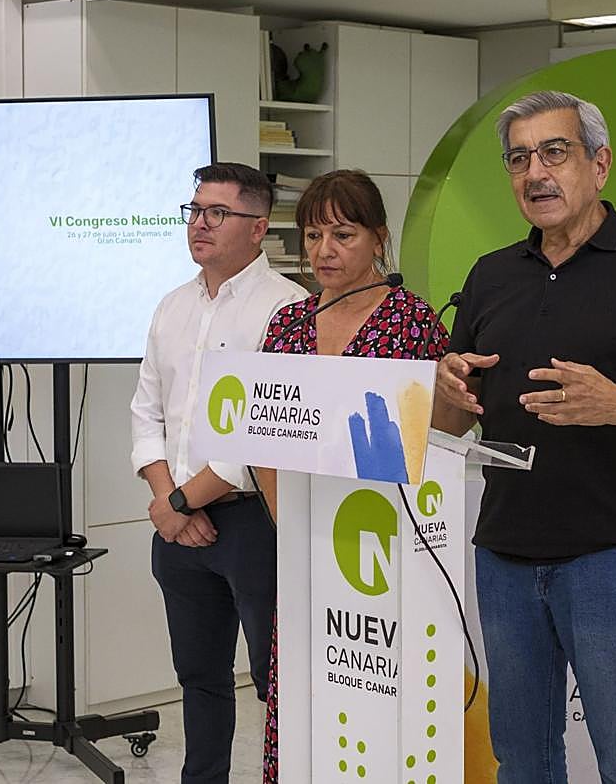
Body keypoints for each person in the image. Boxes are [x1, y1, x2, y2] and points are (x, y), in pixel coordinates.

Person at [432, 90, 616, 783]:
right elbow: (452, 424)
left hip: (611, 560)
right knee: (522, 760)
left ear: (600, 165)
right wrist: (446, 392)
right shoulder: (490, 275)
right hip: (504, 554)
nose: (535, 172)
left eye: (554, 152)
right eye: (518, 159)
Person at [260, 168, 449, 783]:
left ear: (378, 239)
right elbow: (262, 437)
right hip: (303, 545)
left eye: (343, 235)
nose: (325, 251)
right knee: (305, 700)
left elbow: (442, 437)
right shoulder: (287, 324)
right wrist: (291, 530)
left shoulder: (413, 321)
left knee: (381, 707)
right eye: (314, 236)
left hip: (385, 550)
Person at [130, 162, 307, 784]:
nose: (199, 225)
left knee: (274, 680)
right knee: (199, 678)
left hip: (255, 524)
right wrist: (169, 501)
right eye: (195, 211)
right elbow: (146, 413)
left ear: (258, 227)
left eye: (217, 213)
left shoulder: (287, 309)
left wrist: (180, 503)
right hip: (178, 526)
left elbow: (266, 430)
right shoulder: (172, 306)